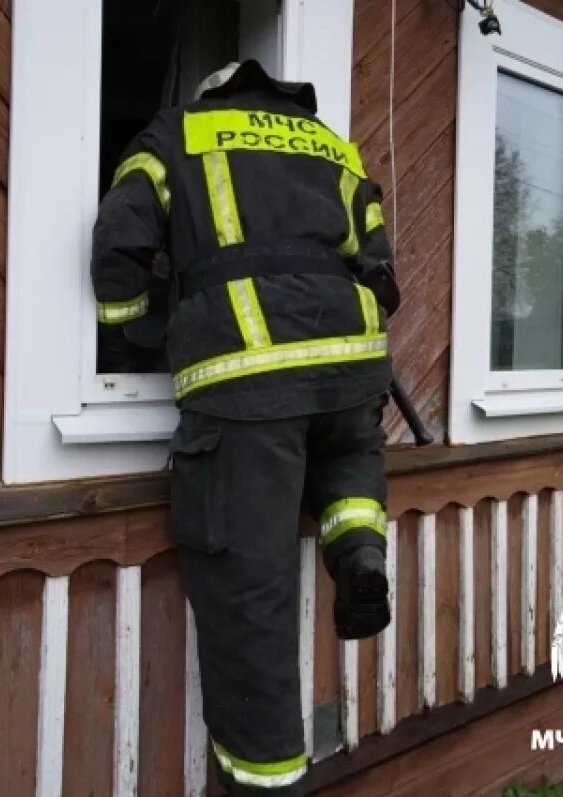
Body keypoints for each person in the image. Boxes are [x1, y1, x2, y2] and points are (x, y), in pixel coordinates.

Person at [91, 59, 401, 795]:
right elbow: (382, 270)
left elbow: (120, 243)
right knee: (350, 459)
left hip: (247, 385)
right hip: (352, 365)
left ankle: (269, 782)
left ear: (213, 94)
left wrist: (134, 335)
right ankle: (358, 547)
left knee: (249, 602)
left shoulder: (175, 134)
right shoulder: (333, 145)